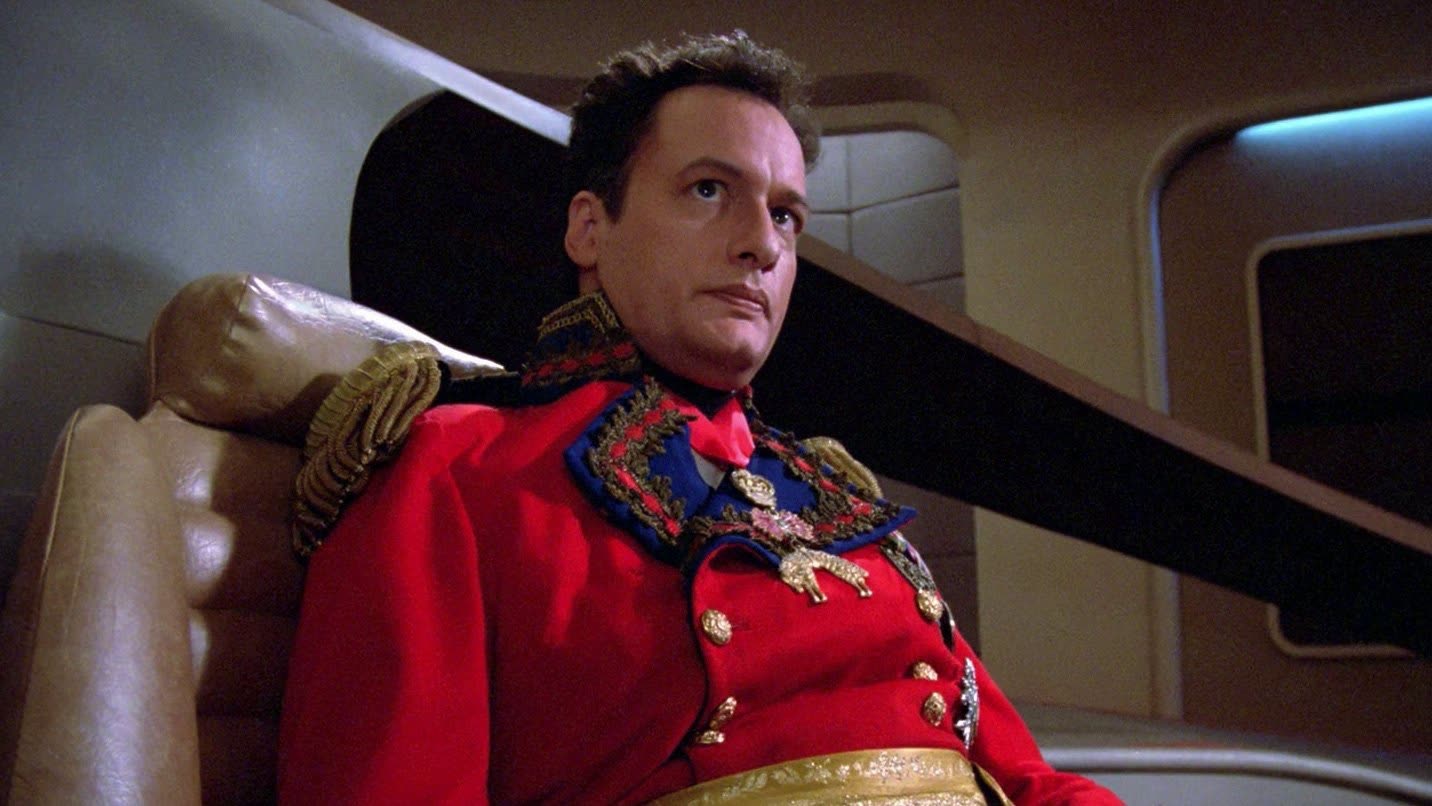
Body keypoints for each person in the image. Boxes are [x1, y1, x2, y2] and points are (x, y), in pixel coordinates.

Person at [278, 31, 1121, 805]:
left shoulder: (840, 495)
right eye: (710, 190)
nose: (762, 243)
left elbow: (1027, 780)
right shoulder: (458, 465)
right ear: (589, 228)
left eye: (785, 214)